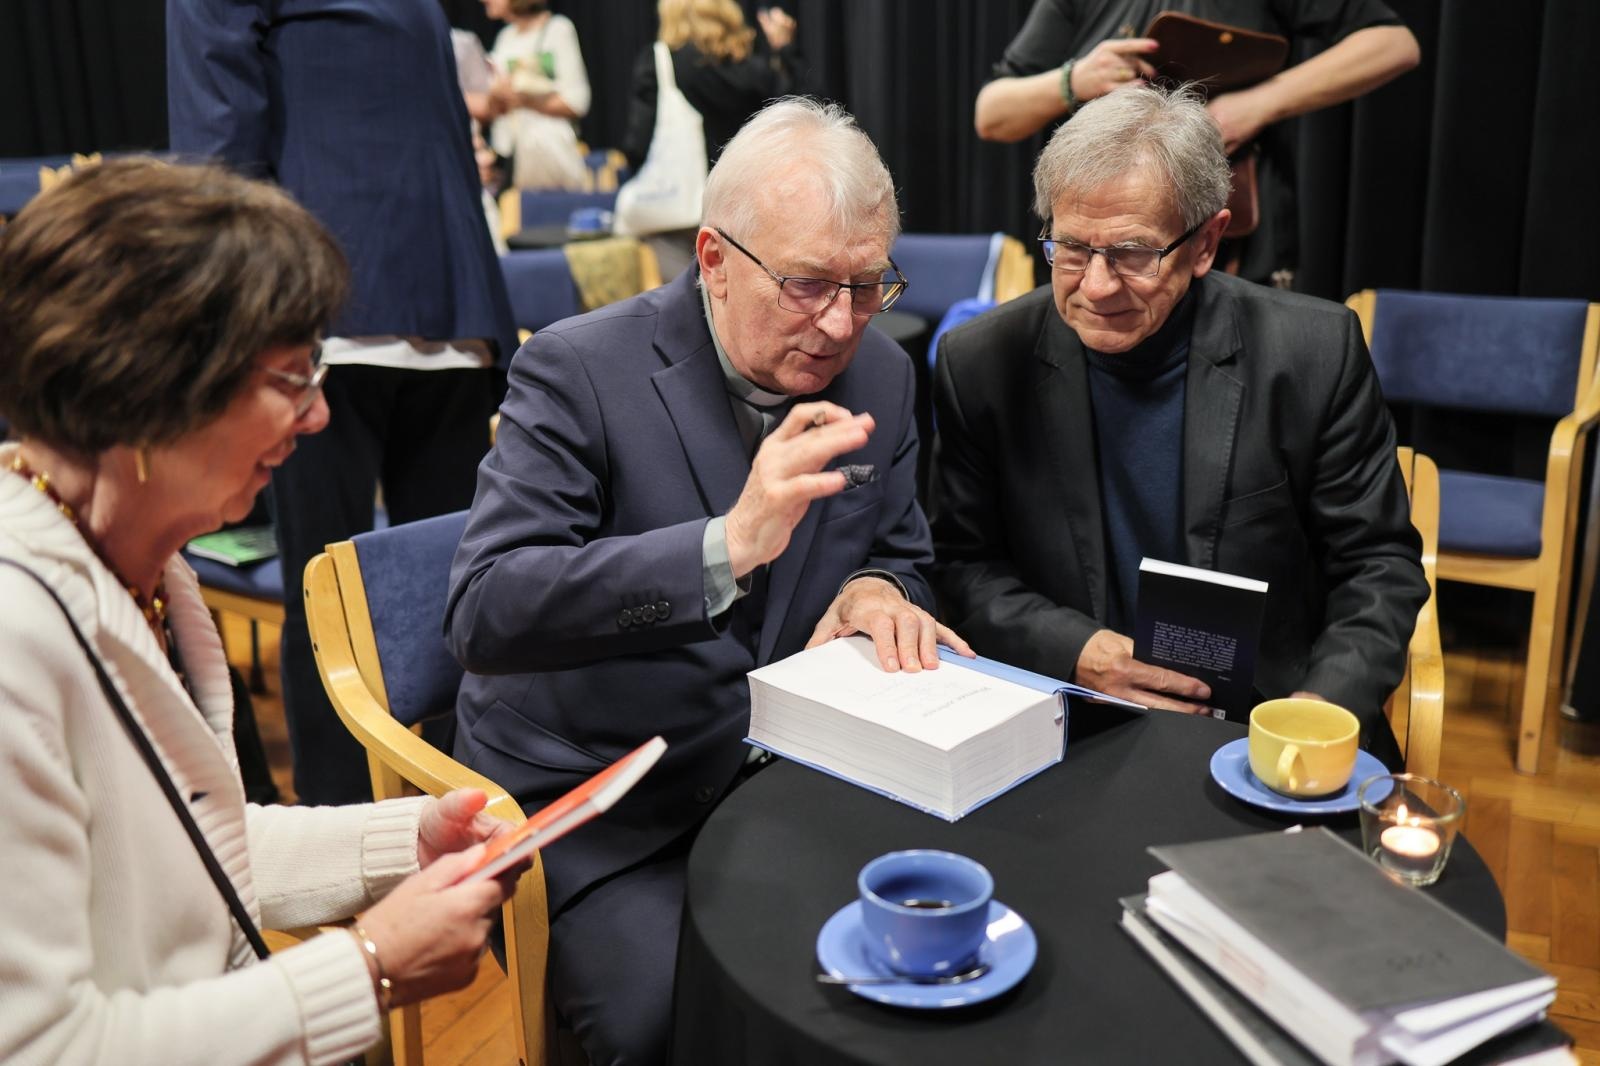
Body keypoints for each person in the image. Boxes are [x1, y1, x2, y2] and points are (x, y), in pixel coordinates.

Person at [446, 97, 972, 1065]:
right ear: (714, 260)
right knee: (666, 1021)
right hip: (609, 805)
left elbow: (898, 552)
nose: (838, 322)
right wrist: (725, 546)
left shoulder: (885, 378)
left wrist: (877, 594)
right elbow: (485, 608)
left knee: (916, 970)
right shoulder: (577, 369)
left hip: (796, 782)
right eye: (808, 283)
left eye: (867, 286)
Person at [0, 158, 522, 1066]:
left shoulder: (145, 562)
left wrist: (407, 835)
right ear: (150, 387)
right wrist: (370, 968)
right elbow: (44, 1047)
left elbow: (196, 846)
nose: (319, 416)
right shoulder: (16, 639)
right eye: (290, 378)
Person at [931, 83, 1427, 767]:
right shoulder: (983, 362)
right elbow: (962, 564)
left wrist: (1316, 710)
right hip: (1067, 717)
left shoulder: (1312, 352)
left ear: (1206, 243)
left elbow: (1378, 567)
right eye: (1071, 250)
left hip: (1263, 729)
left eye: (1133, 254)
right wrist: (1076, 650)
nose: (1097, 286)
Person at [167, 0, 518, 807]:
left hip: (344, 313)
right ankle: (419, 838)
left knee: (379, 608)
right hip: (401, 312)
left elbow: (218, 142)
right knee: (408, 605)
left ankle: (428, 835)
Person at [973, 0, 1420, 286]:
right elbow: (992, 113)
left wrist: (1259, 104)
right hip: (1099, 248)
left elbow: (1393, 44)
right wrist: (1072, 80)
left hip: (1235, 247)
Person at [620, 0, 804, 276]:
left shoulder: (660, 62)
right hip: (745, 212)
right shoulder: (757, 72)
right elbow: (803, 113)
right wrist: (785, 50)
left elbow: (638, 144)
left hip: (676, 215)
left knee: (683, 306)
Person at [481, 0, 593, 191]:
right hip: (508, 158)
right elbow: (494, 109)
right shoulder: (505, 37)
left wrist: (524, 99)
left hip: (548, 157)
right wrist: (495, 96)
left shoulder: (558, 29)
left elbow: (577, 102)